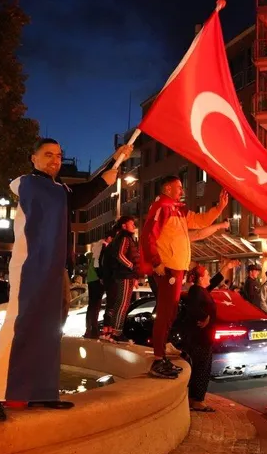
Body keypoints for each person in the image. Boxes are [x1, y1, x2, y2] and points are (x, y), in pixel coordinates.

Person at [0, 138, 132, 421]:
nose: (55, 160)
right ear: (34, 158)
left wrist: (115, 163)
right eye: (48, 155)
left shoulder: (57, 189)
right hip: (30, 268)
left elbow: (80, 195)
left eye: (59, 155)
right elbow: (78, 196)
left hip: (51, 267)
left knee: (50, 330)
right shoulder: (30, 184)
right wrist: (109, 172)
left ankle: (41, 392)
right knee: (18, 326)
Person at [140, 176, 228, 379]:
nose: (182, 190)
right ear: (167, 188)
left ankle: (161, 356)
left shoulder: (177, 208)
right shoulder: (163, 206)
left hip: (175, 268)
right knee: (165, 313)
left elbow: (199, 220)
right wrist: (156, 262)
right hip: (168, 268)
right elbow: (147, 235)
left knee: (170, 312)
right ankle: (158, 359)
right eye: (179, 187)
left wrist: (219, 208)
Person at [182, 262, 233, 412]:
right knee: (202, 369)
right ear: (200, 278)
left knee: (200, 368)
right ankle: (198, 400)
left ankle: (194, 399)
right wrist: (206, 317)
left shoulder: (201, 290)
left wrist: (226, 267)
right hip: (201, 339)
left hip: (203, 338)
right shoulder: (196, 291)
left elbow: (215, 280)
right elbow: (193, 308)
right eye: (207, 275)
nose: (209, 277)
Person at [100, 216, 139, 343]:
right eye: (131, 223)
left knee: (119, 304)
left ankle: (114, 331)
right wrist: (131, 266)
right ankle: (117, 333)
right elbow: (120, 255)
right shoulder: (125, 238)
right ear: (124, 226)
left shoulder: (122, 238)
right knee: (123, 304)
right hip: (125, 275)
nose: (134, 225)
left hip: (123, 275)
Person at [84, 234, 112, 339]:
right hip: (96, 279)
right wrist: (102, 276)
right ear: (108, 238)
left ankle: (89, 329)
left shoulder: (96, 247)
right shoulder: (103, 247)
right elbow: (99, 264)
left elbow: (91, 258)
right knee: (95, 305)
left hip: (91, 278)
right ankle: (93, 330)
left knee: (92, 305)